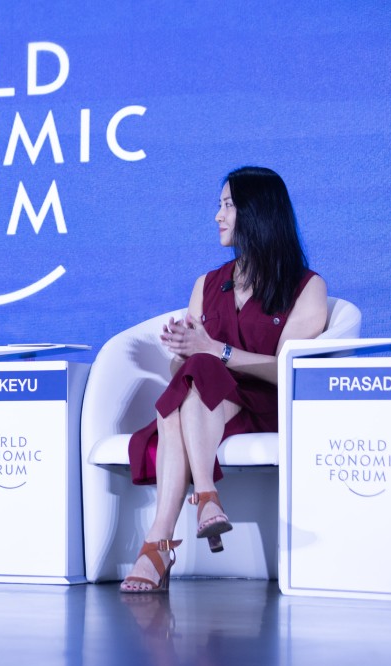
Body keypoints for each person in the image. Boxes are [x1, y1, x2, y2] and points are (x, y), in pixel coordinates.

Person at [121, 167, 328, 593]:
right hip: (206, 406)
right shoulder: (207, 283)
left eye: (228, 205)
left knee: (198, 376)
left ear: (258, 213)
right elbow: (184, 374)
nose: (218, 216)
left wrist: (217, 351)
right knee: (194, 373)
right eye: (219, 205)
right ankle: (205, 502)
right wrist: (182, 352)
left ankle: (160, 543)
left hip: (264, 405)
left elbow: (287, 369)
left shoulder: (306, 287)